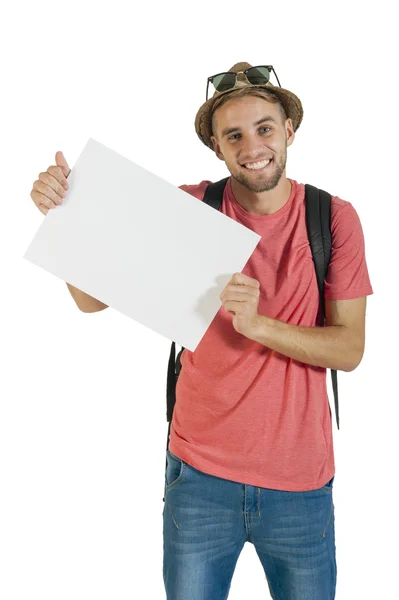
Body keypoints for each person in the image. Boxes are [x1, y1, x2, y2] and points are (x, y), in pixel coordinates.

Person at [30, 62, 373, 599]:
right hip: (199, 479)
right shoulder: (192, 209)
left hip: (301, 485)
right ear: (216, 146)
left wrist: (258, 325)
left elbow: (349, 349)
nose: (252, 145)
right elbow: (89, 298)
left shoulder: (332, 218)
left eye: (264, 127)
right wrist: (63, 213)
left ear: (289, 130)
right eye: (233, 134)